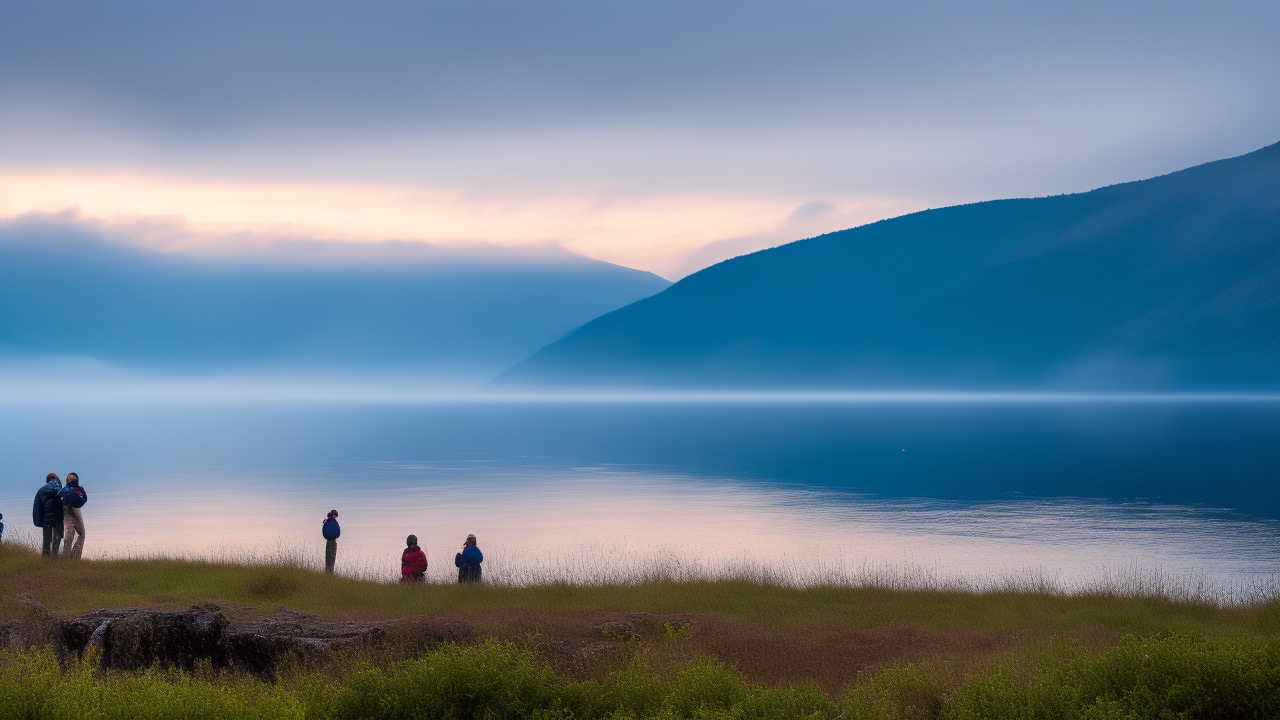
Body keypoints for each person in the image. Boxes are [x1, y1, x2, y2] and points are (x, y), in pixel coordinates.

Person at [33, 473, 64, 557]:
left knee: (46, 541)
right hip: (58, 518)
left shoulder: (41, 490)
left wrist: (39, 522)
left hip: (46, 520)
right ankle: (55, 557)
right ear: (57, 479)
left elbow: (37, 509)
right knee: (57, 539)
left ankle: (45, 558)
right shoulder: (59, 488)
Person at [59, 472, 89, 559]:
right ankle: (66, 557)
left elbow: (84, 498)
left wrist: (79, 501)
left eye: (73, 477)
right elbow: (60, 498)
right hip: (66, 511)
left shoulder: (79, 489)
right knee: (69, 536)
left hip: (76, 510)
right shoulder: (65, 489)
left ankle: (75, 555)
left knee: (82, 533)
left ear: (76, 478)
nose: (70, 478)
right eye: (69, 477)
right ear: (67, 480)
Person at [322, 510, 340, 574]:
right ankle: (330, 574)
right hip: (333, 542)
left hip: (328, 542)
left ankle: (327, 573)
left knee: (327, 559)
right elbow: (338, 534)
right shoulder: (334, 522)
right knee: (332, 559)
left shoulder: (327, 522)